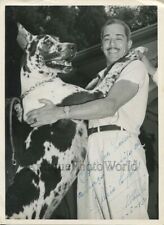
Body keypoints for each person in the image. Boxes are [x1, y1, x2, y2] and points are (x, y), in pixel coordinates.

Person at [26, 19, 149, 219]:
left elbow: (109, 106)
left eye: (118, 38)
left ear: (129, 44)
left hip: (120, 146)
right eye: (107, 38)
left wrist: (59, 112)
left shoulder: (133, 67)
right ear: (101, 45)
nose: (112, 43)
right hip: (90, 148)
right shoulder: (99, 78)